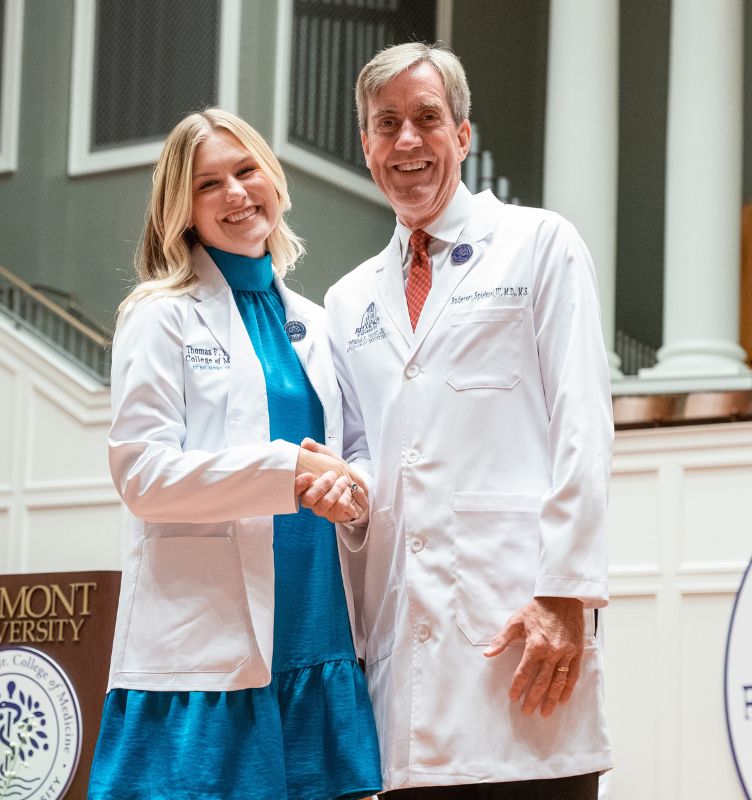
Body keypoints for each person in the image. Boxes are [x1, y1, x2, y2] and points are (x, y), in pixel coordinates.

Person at [319, 42, 614, 798]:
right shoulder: (349, 301)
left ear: (463, 135)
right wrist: (346, 494)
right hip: (406, 674)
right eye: (387, 125)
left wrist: (564, 593)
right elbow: (368, 465)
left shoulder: (541, 245)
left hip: (524, 638)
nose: (408, 141)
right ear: (367, 145)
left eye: (427, 119)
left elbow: (584, 424)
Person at [87, 108, 381, 800]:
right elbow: (143, 475)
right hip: (208, 644)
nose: (236, 193)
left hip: (317, 628)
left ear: (274, 181)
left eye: (246, 170)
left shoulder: (315, 322)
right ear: (182, 210)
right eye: (208, 183)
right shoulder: (159, 316)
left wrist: (350, 489)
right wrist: (289, 471)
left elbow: (356, 450)